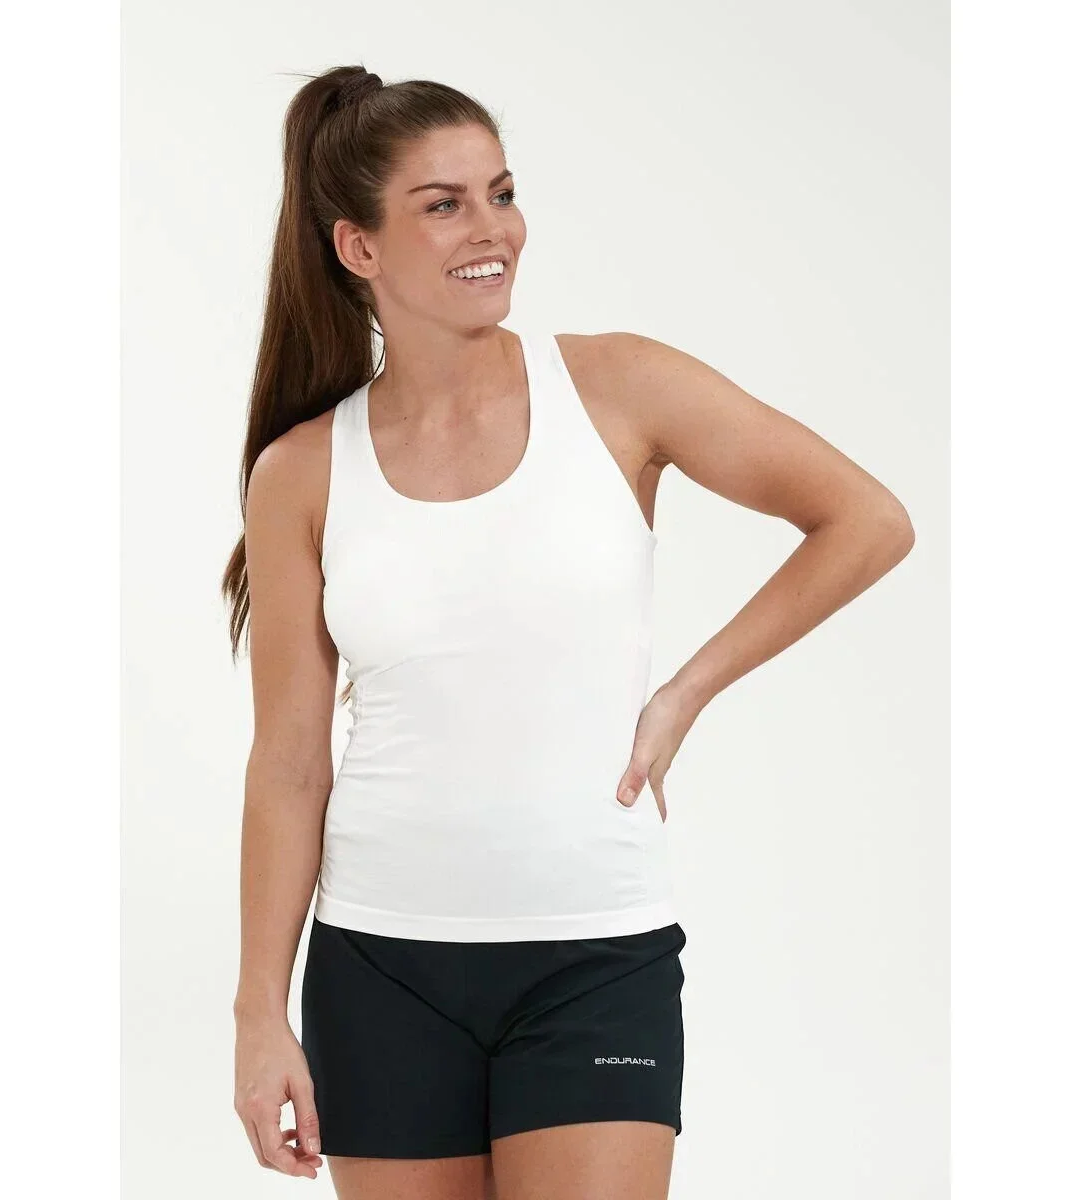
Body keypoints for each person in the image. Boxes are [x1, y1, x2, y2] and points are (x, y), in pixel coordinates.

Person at [223, 64, 914, 1200]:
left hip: (595, 957)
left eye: (501, 193)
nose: (491, 229)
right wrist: (260, 1010)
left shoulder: (619, 387)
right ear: (358, 246)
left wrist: (683, 693)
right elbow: (290, 764)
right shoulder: (301, 472)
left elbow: (867, 521)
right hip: (380, 968)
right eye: (443, 204)